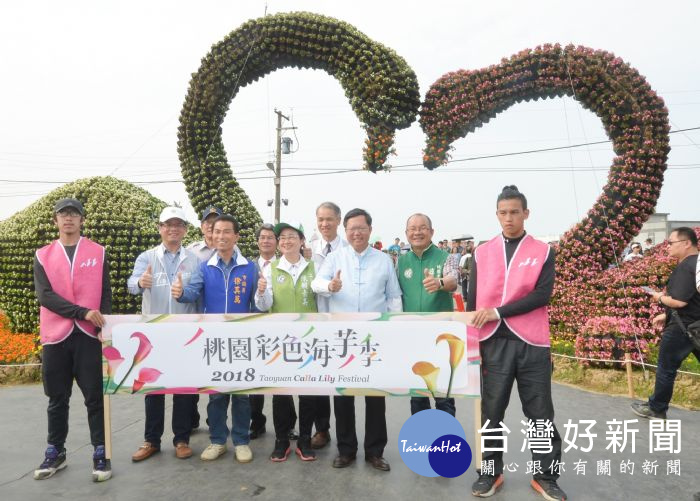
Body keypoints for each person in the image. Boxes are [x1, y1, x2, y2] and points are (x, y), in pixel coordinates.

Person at [468, 186, 566, 500]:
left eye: (514, 212)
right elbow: (473, 301)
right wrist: (471, 344)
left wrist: (498, 311)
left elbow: (542, 295)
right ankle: (490, 472)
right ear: (497, 214)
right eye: (503, 212)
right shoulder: (482, 252)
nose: (508, 218)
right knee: (491, 412)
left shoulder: (542, 250)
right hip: (492, 343)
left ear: (526, 213)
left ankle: (545, 476)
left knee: (540, 414)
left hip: (532, 342)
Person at [312, 208, 402, 472]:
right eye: (352, 229)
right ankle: (346, 450)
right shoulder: (335, 258)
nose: (357, 233)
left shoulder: (384, 260)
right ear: (346, 230)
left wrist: (394, 330)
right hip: (343, 339)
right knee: (343, 397)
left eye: (361, 228)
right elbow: (316, 283)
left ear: (370, 230)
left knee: (375, 397)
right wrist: (330, 286)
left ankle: (375, 451)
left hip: (374, 338)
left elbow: (393, 297)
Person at [33, 198, 112, 482]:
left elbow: (105, 292)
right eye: (63, 214)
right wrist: (82, 312)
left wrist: (104, 325)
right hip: (55, 337)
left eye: (74, 214)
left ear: (81, 220)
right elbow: (45, 296)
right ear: (55, 220)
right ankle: (56, 452)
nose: (68, 218)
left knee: (95, 398)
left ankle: (101, 452)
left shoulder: (98, 251)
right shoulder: (43, 255)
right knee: (57, 398)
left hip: (88, 336)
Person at [174, 214, 257, 464]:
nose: (221, 236)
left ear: (236, 236)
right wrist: (181, 292)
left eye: (226, 231)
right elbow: (192, 292)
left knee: (241, 394)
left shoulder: (250, 267)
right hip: (214, 340)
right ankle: (218, 440)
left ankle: (241, 441)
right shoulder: (205, 266)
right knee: (217, 395)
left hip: (242, 340)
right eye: (216, 231)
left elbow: (258, 305)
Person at [127, 206, 201, 462]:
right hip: (154, 334)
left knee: (183, 389)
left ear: (185, 230)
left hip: (184, 334)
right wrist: (140, 283)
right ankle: (151, 440)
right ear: (160, 228)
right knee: (154, 389)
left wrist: (185, 293)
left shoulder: (194, 260)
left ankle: (181, 440)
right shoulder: (147, 257)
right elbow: (131, 284)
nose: (173, 229)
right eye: (168, 224)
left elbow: (198, 290)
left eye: (178, 224)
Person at [255, 222, 319, 462]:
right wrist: (262, 291)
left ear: (301, 241)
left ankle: (305, 439)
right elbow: (264, 305)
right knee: (281, 393)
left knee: (307, 393)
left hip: (309, 339)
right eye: (282, 237)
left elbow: (323, 297)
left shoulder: (313, 267)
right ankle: (281, 440)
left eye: (292, 236)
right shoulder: (271, 268)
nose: (286, 241)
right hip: (280, 340)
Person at [631, 227, 700, 419]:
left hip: (681, 328)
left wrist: (658, 297)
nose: (667, 246)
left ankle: (657, 408)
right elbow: (693, 300)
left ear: (686, 243)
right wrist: (665, 315)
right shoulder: (696, 264)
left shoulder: (686, 266)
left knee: (666, 368)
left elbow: (679, 301)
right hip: (695, 324)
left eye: (671, 243)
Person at [398, 213, 458, 416]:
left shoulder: (445, 257)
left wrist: (439, 282)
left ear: (432, 232)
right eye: (412, 229)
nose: (417, 232)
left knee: (443, 394)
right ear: (406, 233)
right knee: (418, 395)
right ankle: (421, 434)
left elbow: (453, 280)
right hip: (413, 336)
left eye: (422, 228)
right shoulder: (401, 261)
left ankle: (447, 435)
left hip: (441, 337)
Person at [304, 201, 349, 449]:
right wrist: (328, 286)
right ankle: (322, 429)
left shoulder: (349, 248)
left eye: (329, 219)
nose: (324, 224)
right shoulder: (308, 249)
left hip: (343, 320)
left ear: (338, 220)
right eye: (320, 219)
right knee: (318, 378)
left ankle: (346, 436)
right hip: (316, 319)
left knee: (343, 379)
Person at [249, 224, 299, 441]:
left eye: (271, 237)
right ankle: (256, 422)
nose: (266, 241)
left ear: (277, 242)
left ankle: (288, 425)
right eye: (263, 237)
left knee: (282, 381)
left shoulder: (285, 265)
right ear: (258, 241)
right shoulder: (250, 267)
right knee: (256, 380)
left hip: (281, 331)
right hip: (256, 328)